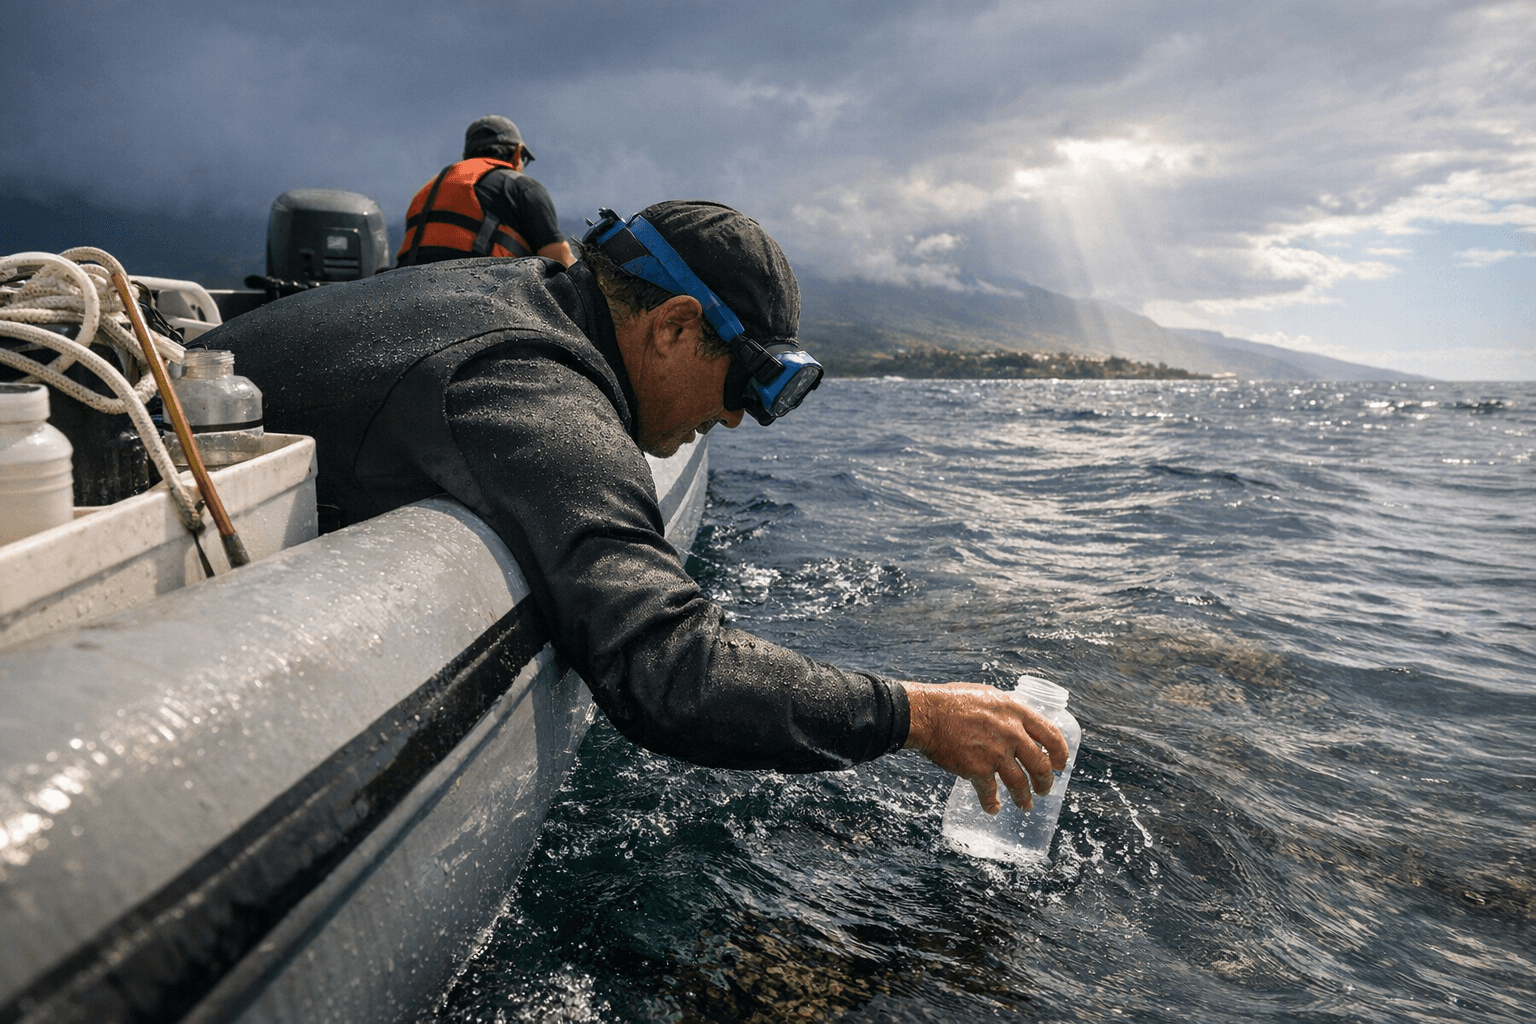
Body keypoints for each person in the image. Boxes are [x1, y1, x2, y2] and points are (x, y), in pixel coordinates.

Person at [211, 200, 1067, 815]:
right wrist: (917, 715)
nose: (734, 416)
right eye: (743, 382)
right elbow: (668, 671)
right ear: (674, 326)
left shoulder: (511, 294)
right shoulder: (538, 392)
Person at [395, 114, 576, 268]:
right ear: (516, 153)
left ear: (466, 157)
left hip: (407, 284)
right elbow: (558, 260)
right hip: (479, 289)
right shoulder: (520, 185)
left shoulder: (427, 189)